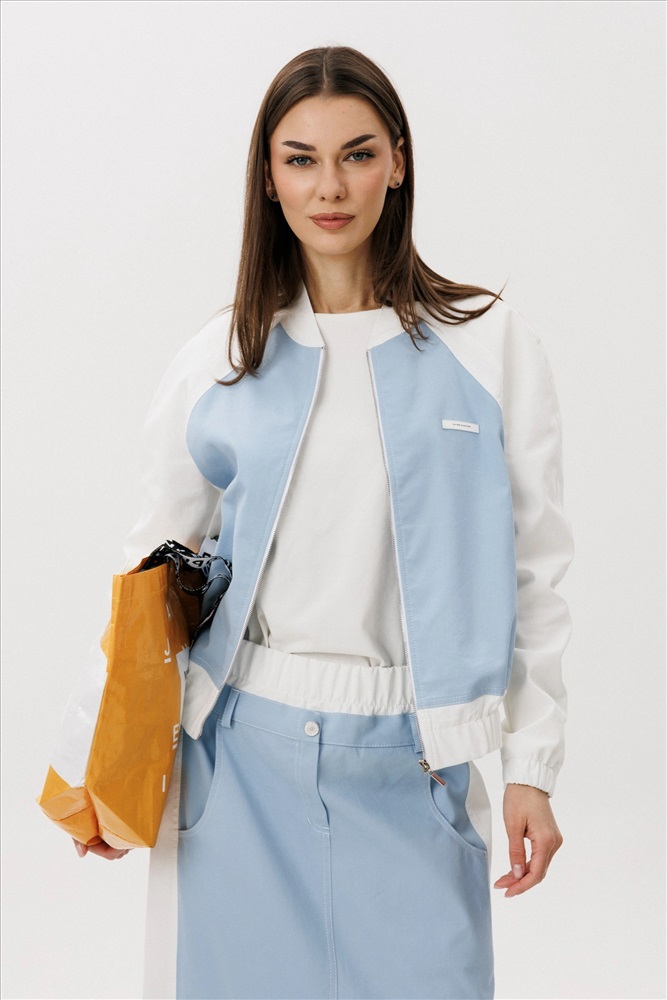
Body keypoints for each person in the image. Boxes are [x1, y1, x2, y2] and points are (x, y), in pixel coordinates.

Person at [68, 45, 574, 1000]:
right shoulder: (221, 357)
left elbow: (535, 571)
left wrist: (531, 767)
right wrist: (103, 762)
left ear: (398, 162)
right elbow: (150, 572)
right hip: (237, 769)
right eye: (300, 159)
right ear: (268, 177)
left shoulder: (490, 346)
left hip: (415, 764)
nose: (329, 187)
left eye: (357, 154)